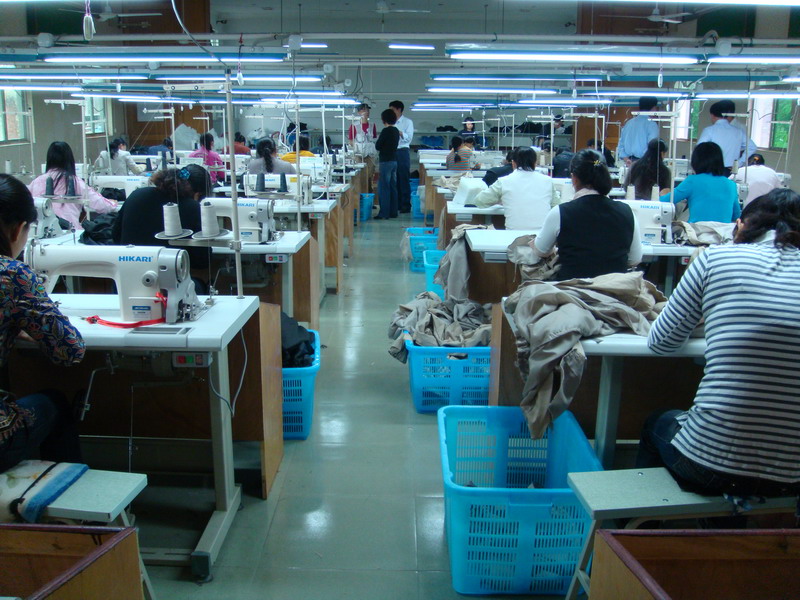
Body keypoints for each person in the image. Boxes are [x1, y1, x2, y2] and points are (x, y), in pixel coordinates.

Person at [637, 188, 800, 497]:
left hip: (709, 464)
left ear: (742, 225)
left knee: (656, 423)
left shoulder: (716, 258)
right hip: (794, 478)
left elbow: (660, 342)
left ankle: (638, 524)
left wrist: (719, 322)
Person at [0, 174, 85, 472]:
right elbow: (69, 350)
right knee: (54, 404)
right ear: (19, 229)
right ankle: (68, 494)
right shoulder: (12, 275)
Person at [533, 149, 643, 280]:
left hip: (571, 288)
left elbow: (541, 250)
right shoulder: (627, 212)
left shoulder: (560, 212)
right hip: (613, 289)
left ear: (574, 178)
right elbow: (635, 259)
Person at [112, 165, 212, 277]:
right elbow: (202, 261)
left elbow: (116, 236)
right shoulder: (192, 207)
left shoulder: (136, 195)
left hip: (126, 277)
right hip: (168, 281)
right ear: (198, 194)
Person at [28, 141, 117, 230]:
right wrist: (112, 203)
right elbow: (101, 205)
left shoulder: (36, 182)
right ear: (69, 160)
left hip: (40, 232)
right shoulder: (75, 182)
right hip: (69, 232)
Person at [473, 148, 553, 230]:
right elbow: (556, 206)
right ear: (535, 163)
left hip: (513, 235)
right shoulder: (548, 181)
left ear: (513, 163)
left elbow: (479, 201)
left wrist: (499, 200)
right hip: (543, 235)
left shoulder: (504, 181)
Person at [659, 142, 739, 223]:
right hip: (724, 230)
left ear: (696, 161)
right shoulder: (731, 185)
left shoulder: (692, 181)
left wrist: (663, 193)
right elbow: (736, 215)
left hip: (697, 230)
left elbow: (665, 201)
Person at [698, 100, 757, 175]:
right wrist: (739, 163)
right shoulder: (738, 131)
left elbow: (699, 149)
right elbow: (752, 147)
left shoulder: (709, 130)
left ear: (712, 115)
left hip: (713, 170)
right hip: (730, 170)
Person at [617, 96, 660, 166]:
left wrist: (627, 160)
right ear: (653, 108)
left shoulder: (628, 123)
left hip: (628, 163)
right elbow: (652, 147)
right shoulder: (652, 124)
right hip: (644, 163)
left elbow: (621, 145)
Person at [374, 109, 400, 220]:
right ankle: (393, 212)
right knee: (393, 187)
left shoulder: (386, 131)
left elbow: (378, 146)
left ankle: (384, 213)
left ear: (383, 119)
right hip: (394, 161)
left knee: (384, 187)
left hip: (385, 162)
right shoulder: (396, 131)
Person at [389, 100, 414, 214]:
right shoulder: (390, 122)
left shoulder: (407, 122)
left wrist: (399, 132)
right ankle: (397, 204)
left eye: (392, 110)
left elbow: (408, 139)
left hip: (403, 151)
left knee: (403, 178)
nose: (391, 112)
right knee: (394, 179)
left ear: (399, 110)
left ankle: (405, 205)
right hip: (392, 151)